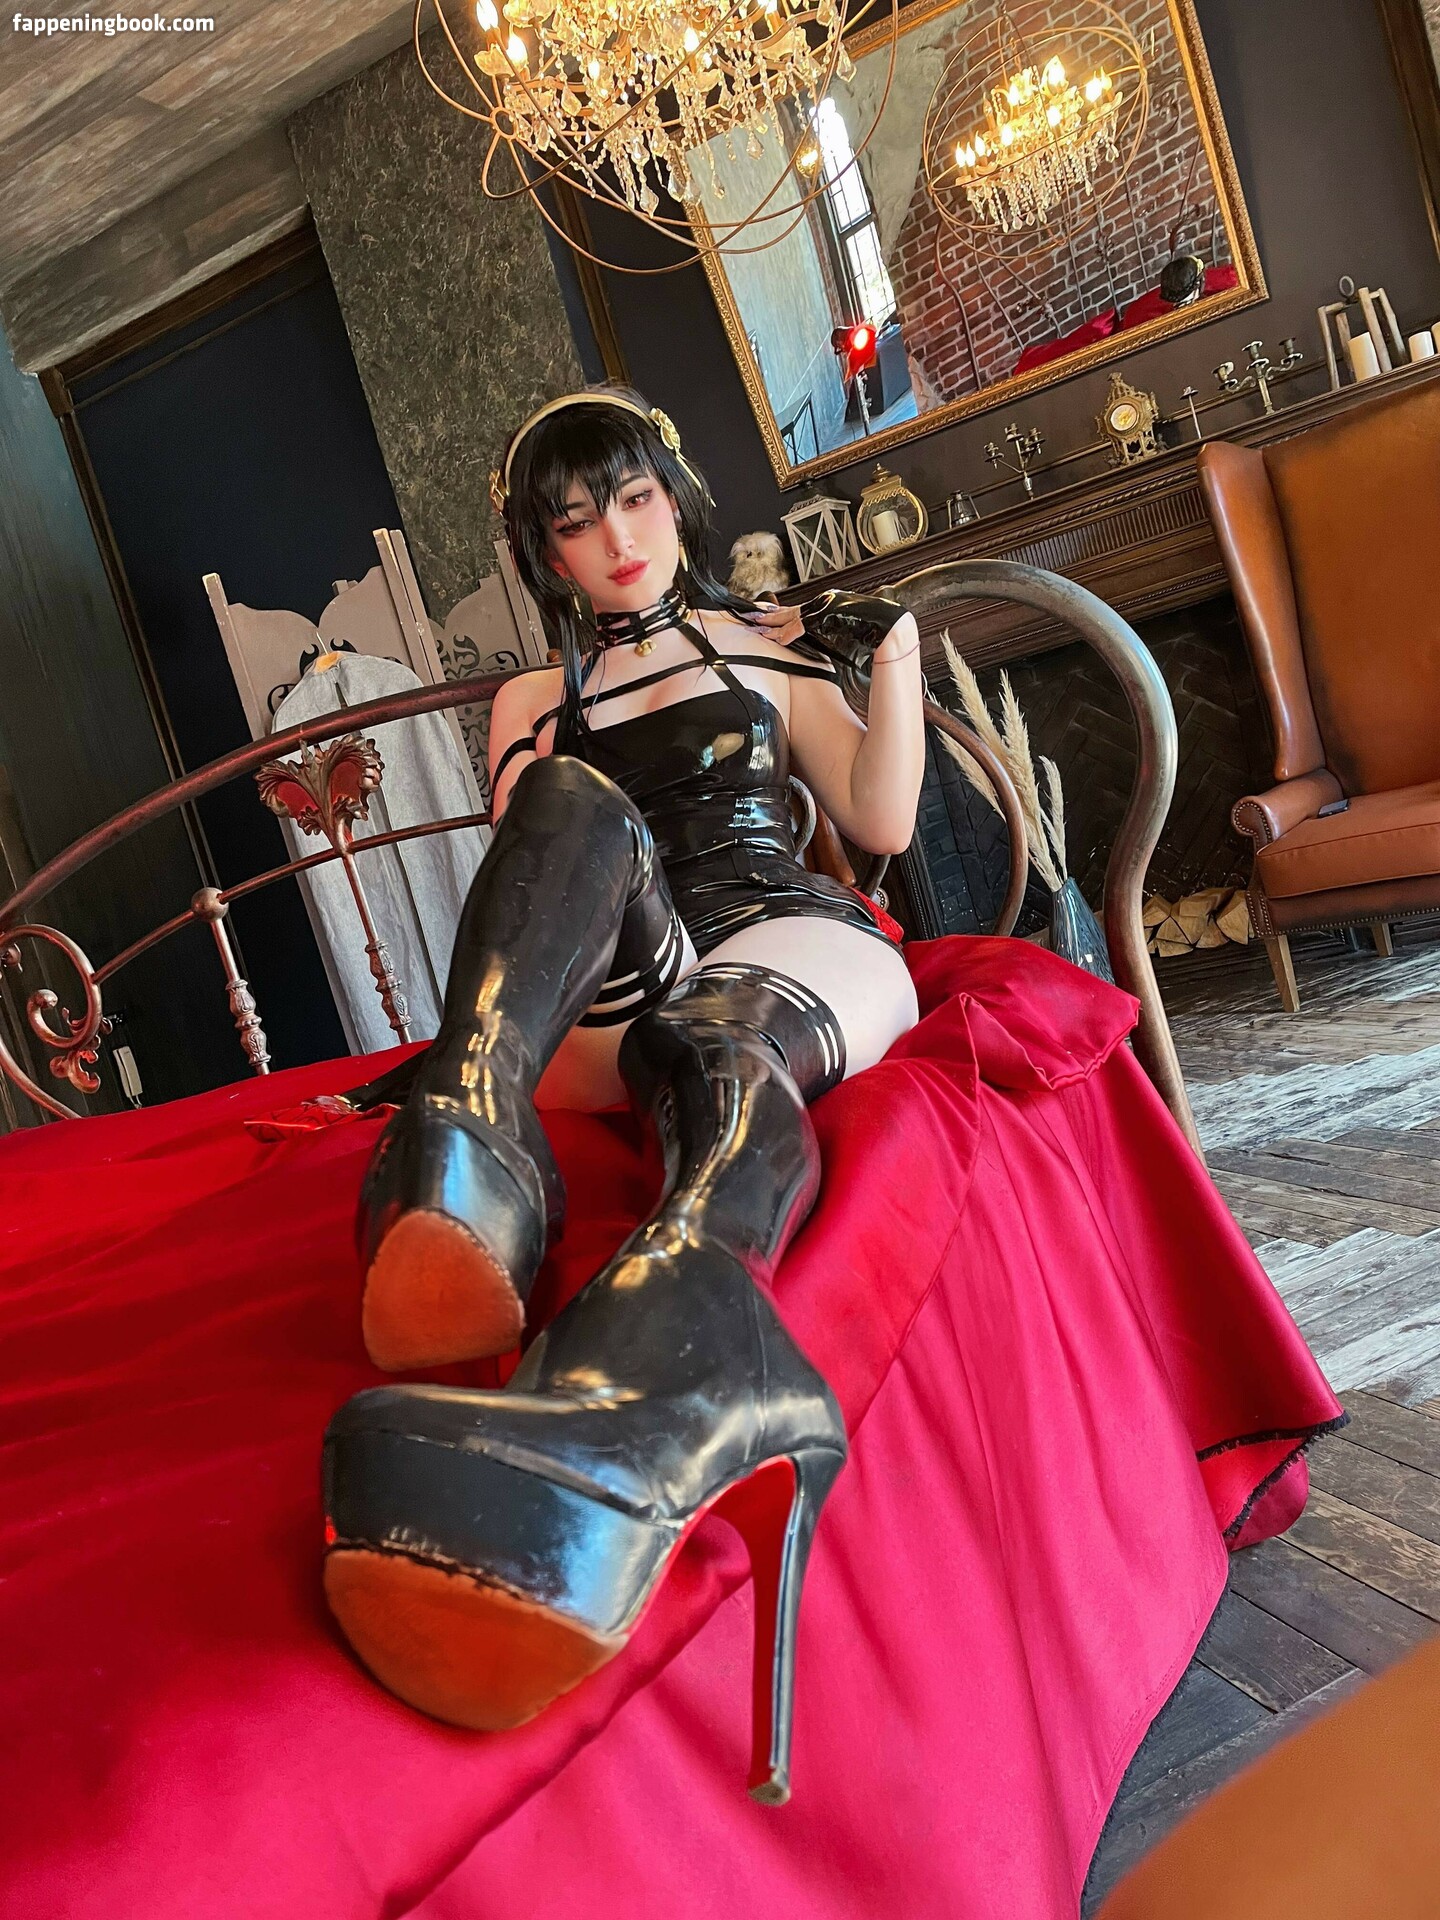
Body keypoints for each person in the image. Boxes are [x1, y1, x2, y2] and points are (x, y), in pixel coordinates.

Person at [319, 388, 926, 1803]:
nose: (617, 541)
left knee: (710, 1044)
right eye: (577, 523)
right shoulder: (534, 703)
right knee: (567, 807)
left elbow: (881, 822)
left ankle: (656, 1370)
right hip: (629, 983)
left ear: (676, 499)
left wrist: (887, 648)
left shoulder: (757, 651)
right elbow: (546, 907)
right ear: (545, 554)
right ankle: (472, 1128)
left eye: (636, 502)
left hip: (788, 944)